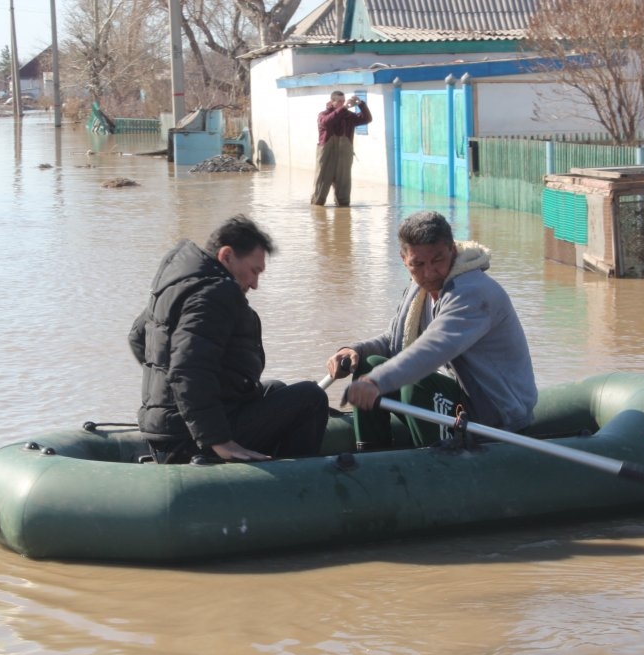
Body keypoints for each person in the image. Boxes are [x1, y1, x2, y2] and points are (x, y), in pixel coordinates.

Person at [325, 211, 537, 449]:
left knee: (415, 384)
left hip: (494, 414)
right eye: (418, 264)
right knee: (369, 363)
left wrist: (376, 383)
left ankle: (435, 467)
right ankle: (372, 458)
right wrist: (353, 350)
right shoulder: (419, 290)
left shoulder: (472, 293)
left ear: (452, 251)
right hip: (458, 398)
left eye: (437, 260)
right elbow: (394, 340)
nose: (429, 273)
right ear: (404, 260)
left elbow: (434, 348)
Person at [129, 215, 330, 464]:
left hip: (168, 428)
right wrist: (219, 440)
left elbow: (138, 338)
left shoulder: (178, 283)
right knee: (311, 397)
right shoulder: (215, 293)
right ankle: (293, 487)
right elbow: (189, 369)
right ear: (226, 256)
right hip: (188, 439)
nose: (255, 284)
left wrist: (172, 389)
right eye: (254, 271)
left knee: (275, 388)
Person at [311, 90, 373, 207]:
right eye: (339, 101)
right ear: (332, 102)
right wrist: (344, 108)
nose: (342, 103)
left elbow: (367, 119)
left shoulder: (349, 117)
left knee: (344, 199)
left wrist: (361, 104)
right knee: (319, 197)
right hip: (327, 158)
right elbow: (328, 122)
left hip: (344, 158)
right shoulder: (323, 115)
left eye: (343, 101)